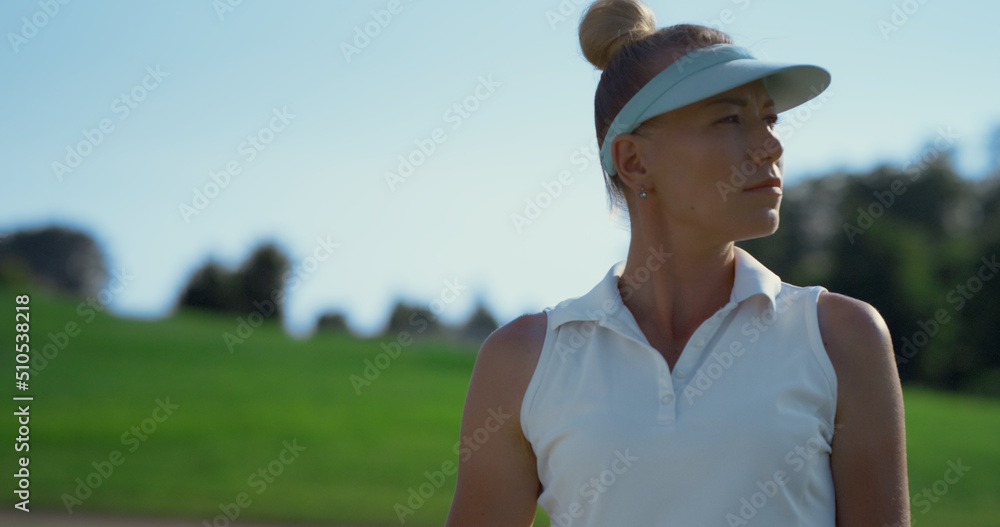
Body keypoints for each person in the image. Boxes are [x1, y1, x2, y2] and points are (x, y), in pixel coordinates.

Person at [445, 0, 910, 525]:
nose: (770, 145)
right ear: (634, 161)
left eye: (769, 117)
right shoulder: (522, 361)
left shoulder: (842, 337)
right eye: (731, 118)